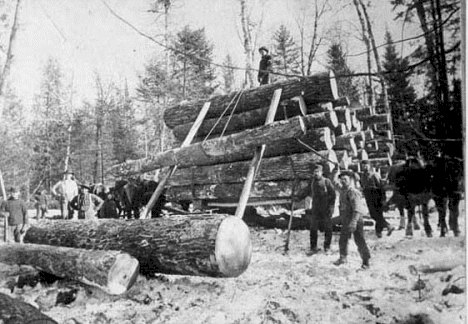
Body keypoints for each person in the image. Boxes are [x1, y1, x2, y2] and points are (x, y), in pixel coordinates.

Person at [332, 170, 371, 269]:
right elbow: (335, 183)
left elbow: (357, 209)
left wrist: (353, 223)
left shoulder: (353, 192)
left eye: (345, 179)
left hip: (355, 220)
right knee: (343, 240)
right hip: (346, 219)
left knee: (359, 241)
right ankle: (343, 258)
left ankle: (366, 261)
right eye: (342, 180)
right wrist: (335, 170)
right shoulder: (343, 190)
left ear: (350, 180)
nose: (343, 181)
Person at [304, 164, 336, 255]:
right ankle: (313, 248)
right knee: (313, 228)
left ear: (321, 172)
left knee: (328, 229)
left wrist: (331, 208)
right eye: (315, 172)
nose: (316, 173)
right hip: (315, 209)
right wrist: (297, 197)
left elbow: (333, 196)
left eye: (318, 172)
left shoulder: (327, 182)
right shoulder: (312, 182)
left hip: (326, 209)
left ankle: (327, 248)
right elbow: (306, 192)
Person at [360, 160, 394, 238]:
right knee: (375, 215)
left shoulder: (374, 175)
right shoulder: (362, 176)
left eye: (366, 165)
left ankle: (387, 226)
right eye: (363, 166)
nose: (365, 167)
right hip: (369, 197)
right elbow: (363, 186)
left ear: (370, 166)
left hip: (376, 196)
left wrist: (383, 199)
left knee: (376, 215)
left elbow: (381, 188)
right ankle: (379, 233)